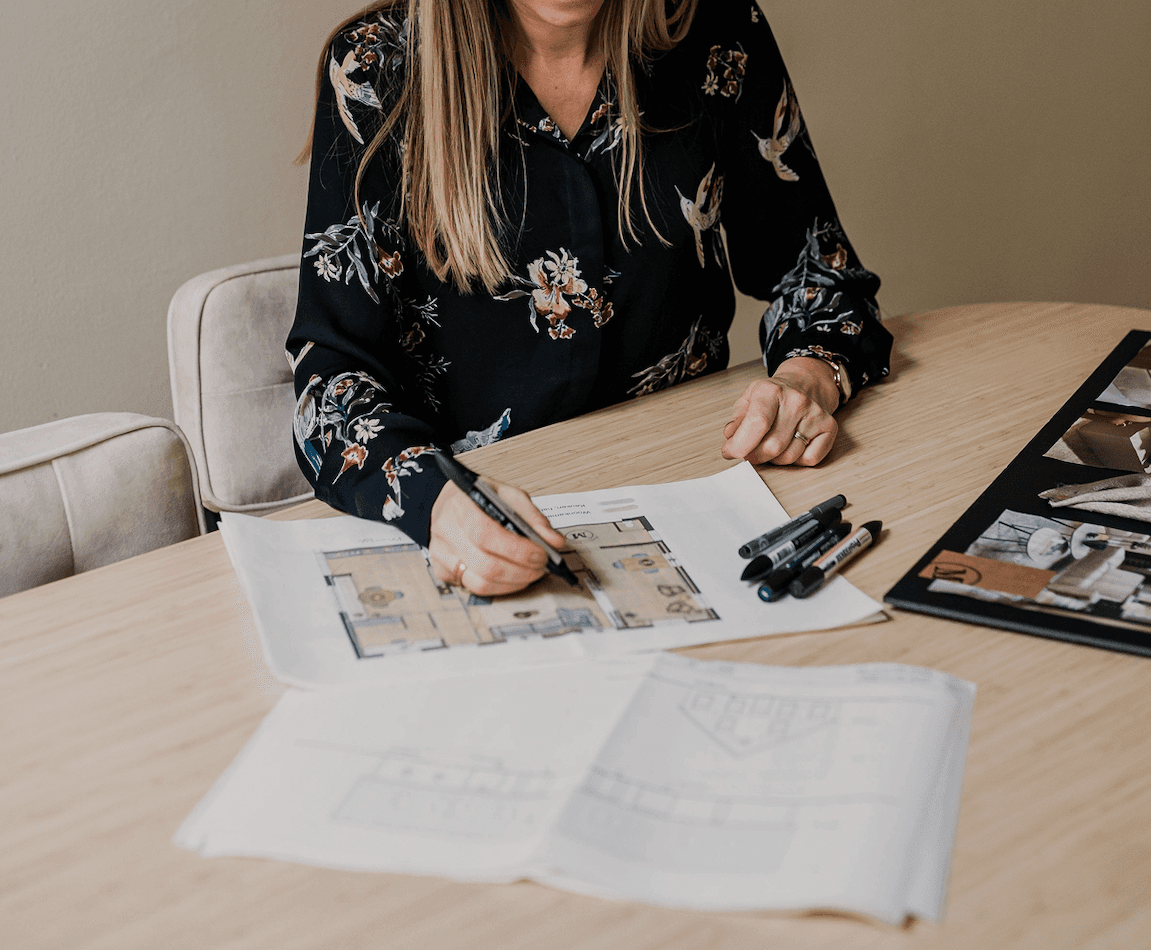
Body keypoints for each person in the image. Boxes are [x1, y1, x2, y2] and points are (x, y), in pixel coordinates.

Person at [287, 0, 892, 597]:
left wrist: (807, 376)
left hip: (705, 501)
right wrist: (433, 501)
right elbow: (331, 382)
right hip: (489, 535)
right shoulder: (377, 70)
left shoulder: (716, 30)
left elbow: (820, 273)